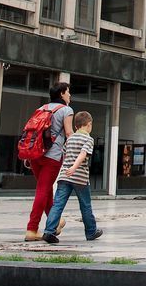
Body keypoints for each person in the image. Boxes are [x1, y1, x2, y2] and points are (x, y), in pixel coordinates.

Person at [43, 111, 103, 244]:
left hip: (64, 176)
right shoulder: (88, 139)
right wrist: (74, 167)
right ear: (89, 125)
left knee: (58, 204)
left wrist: (67, 168)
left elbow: (64, 154)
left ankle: (49, 231)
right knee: (85, 205)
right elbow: (82, 154)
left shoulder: (69, 139)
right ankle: (91, 231)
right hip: (80, 177)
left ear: (76, 126)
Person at [25, 81, 74, 241]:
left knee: (45, 190)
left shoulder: (41, 109)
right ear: (61, 94)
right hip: (52, 157)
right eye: (68, 92)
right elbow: (69, 133)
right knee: (42, 191)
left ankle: (56, 220)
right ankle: (32, 229)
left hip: (35, 156)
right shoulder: (66, 110)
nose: (69, 95)